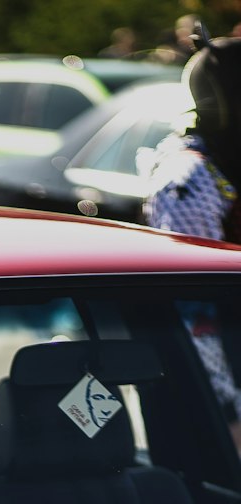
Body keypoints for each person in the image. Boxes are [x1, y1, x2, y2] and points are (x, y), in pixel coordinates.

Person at [145, 26, 241, 438]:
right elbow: (195, 318)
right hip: (217, 415)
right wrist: (231, 419)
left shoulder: (226, 166)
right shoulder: (191, 182)